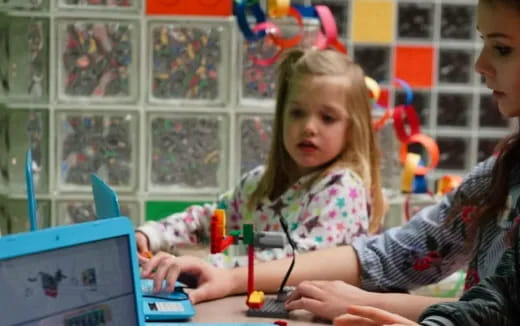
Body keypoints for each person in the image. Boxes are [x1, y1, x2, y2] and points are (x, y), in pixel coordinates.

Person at [140, 0, 520, 320]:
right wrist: (221, 274)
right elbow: (394, 255)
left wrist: (365, 302)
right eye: (484, 43)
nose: (479, 65)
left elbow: (494, 312)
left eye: (502, 48)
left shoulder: (343, 190)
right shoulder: (502, 172)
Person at [139, 48, 385, 290]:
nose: (309, 127)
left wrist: (205, 266)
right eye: (297, 113)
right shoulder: (257, 184)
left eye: (328, 118)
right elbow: (209, 221)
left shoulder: (344, 189)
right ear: (281, 118)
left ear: (353, 129)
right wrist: (151, 235)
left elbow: (300, 260)